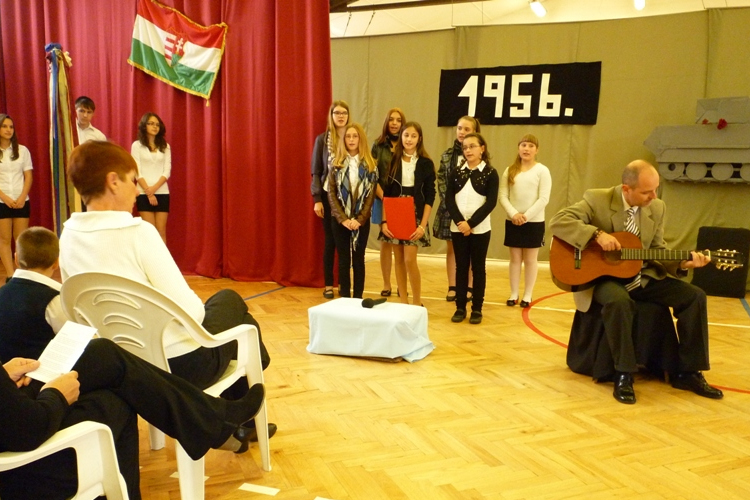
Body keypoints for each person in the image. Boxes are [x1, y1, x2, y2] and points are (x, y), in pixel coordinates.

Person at [59, 141, 276, 439]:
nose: (137, 190)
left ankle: (237, 424)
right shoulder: (138, 232)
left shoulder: (68, 237)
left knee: (234, 315)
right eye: (133, 181)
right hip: (182, 366)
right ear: (113, 181)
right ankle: (249, 398)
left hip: (127, 367)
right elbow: (193, 312)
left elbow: (79, 318)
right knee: (231, 302)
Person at [0, 338, 265, 500]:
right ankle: (216, 423)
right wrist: (57, 395)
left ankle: (216, 422)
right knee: (115, 402)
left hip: (12, 417)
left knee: (102, 353)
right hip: (18, 464)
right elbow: (28, 429)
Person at [549, 160, 723, 404]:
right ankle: (623, 373)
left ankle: (689, 372)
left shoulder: (657, 208)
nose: (654, 196)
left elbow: (657, 249)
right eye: (646, 192)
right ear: (626, 189)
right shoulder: (597, 199)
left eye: (656, 189)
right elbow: (558, 221)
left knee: (694, 296)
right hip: (605, 279)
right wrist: (597, 235)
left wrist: (683, 264)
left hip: (643, 275)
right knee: (619, 302)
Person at [379, 122, 436, 306]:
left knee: (410, 259)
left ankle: (417, 302)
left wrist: (422, 225)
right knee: (399, 260)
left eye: (413, 136)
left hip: (415, 212)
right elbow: (387, 194)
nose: (409, 139)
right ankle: (403, 302)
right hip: (396, 211)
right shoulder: (393, 161)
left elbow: (430, 196)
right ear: (401, 137)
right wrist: (384, 221)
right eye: (406, 135)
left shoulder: (426, 163)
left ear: (419, 138)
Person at [446, 133, 499, 324]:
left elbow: (490, 203)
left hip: (480, 229)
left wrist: (471, 223)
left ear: (482, 148)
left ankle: (477, 308)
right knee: (461, 267)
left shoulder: (490, 173)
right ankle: (460, 307)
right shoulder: (456, 172)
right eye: (465, 147)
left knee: (478, 268)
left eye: (472, 146)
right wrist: (461, 223)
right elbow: (449, 200)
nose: (468, 150)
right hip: (458, 228)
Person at [499, 134, 551, 308]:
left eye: (530, 146)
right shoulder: (510, 170)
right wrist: (514, 214)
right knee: (515, 258)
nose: (526, 149)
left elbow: (543, 198)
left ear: (537, 150)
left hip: (534, 222)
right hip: (513, 221)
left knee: (530, 259)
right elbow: (503, 196)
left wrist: (526, 216)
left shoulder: (542, 171)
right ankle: (513, 293)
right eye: (523, 145)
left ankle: (528, 295)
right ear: (518, 148)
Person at [0, 227, 66, 363]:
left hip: (6, 372)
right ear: (56, 263)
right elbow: (71, 340)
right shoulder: (54, 300)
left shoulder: (2, 292)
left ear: (16, 259)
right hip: (43, 371)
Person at [328, 123, 378, 298]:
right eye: (348, 136)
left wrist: (359, 219)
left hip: (360, 221)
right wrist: (343, 219)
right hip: (340, 220)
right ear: (343, 140)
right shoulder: (336, 164)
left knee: (358, 260)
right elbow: (331, 194)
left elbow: (370, 196)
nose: (351, 140)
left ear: (360, 139)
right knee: (343, 260)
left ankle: (357, 298)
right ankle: (345, 298)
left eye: (354, 136)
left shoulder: (370, 165)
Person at [434, 116, 480, 302]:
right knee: (452, 249)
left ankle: (469, 286)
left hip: (472, 212)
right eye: (460, 128)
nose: (462, 132)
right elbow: (442, 182)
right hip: (451, 211)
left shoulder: (481, 158)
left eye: (467, 129)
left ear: (475, 132)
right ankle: (453, 286)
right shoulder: (447, 156)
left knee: (471, 250)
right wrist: (453, 208)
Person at [311, 101, 350, 299]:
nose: (341, 116)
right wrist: (317, 199)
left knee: (345, 242)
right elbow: (316, 171)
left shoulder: (353, 137)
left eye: (344, 113)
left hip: (348, 198)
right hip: (327, 196)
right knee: (330, 241)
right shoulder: (322, 139)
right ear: (331, 116)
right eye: (337, 113)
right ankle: (328, 284)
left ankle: (344, 284)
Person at [371, 108, 405, 297]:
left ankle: (401, 283)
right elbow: (372, 175)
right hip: (381, 197)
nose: (394, 123)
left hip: (402, 200)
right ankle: (386, 284)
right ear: (386, 122)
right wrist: (384, 197)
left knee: (401, 244)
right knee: (385, 241)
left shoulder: (406, 143)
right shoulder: (378, 145)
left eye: (398, 120)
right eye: (391, 119)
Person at [0, 114, 33, 281]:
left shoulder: (22, 150)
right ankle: (10, 275)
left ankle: (21, 274)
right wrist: (5, 197)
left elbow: (28, 176)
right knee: (4, 239)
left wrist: (22, 197)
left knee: (20, 239)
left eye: (11, 127)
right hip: (1, 200)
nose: (8, 130)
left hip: (21, 200)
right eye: (4, 126)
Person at [131, 112, 171, 244]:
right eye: (151, 124)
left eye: (157, 125)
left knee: (161, 231)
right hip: (143, 193)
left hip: (162, 192)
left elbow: (166, 171)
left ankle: (162, 258)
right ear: (144, 126)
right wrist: (149, 192)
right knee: (150, 231)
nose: (154, 127)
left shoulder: (165, 146)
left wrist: (153, 189)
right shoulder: (137, 145)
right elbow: (137, 171)